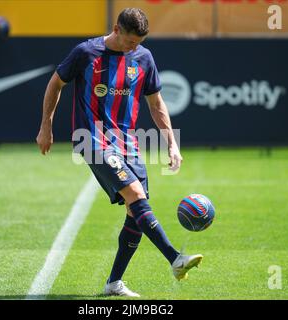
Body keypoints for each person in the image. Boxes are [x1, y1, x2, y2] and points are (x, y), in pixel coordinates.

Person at [36, 8, 202, 297]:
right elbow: (56, 83)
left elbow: (156, 105)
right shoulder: (86, 52)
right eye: (129, 42)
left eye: (138, 43)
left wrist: (172, 143)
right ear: (116, 29)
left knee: (135, 210)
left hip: (128, 143)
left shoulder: (144, 58)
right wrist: (46, 126)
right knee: (136, 195)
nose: (133, 47)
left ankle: (114, 282)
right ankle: (175, 258)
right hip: (91, 139)